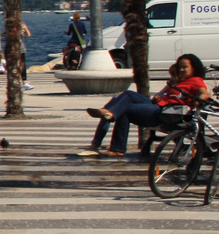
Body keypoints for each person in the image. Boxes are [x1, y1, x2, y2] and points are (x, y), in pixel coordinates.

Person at [79, 53, 210, 157]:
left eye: (185, 67)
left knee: (125, 110)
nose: (181, 70)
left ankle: (116, 146)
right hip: (159, 106)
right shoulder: (181, 82)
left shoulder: (195, 81)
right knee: (128, 94)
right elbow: (160, 97)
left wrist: (199, 100)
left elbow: (204, 93)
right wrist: (163, 93)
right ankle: (110, 112)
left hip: (165, 113)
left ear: (194, 68)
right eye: (180, 67)